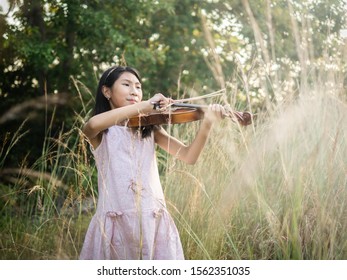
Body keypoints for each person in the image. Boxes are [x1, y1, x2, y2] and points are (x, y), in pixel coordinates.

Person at [80, 65, 226, 260]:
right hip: (116, 222)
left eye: (138, 87)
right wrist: (145, 105)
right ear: (106, 91)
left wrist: (207, 123)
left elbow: (189, 156)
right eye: (126, 85)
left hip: (151, 218)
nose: (134, 91)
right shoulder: (102, 133)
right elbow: (90, 125)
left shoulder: (149, 130)